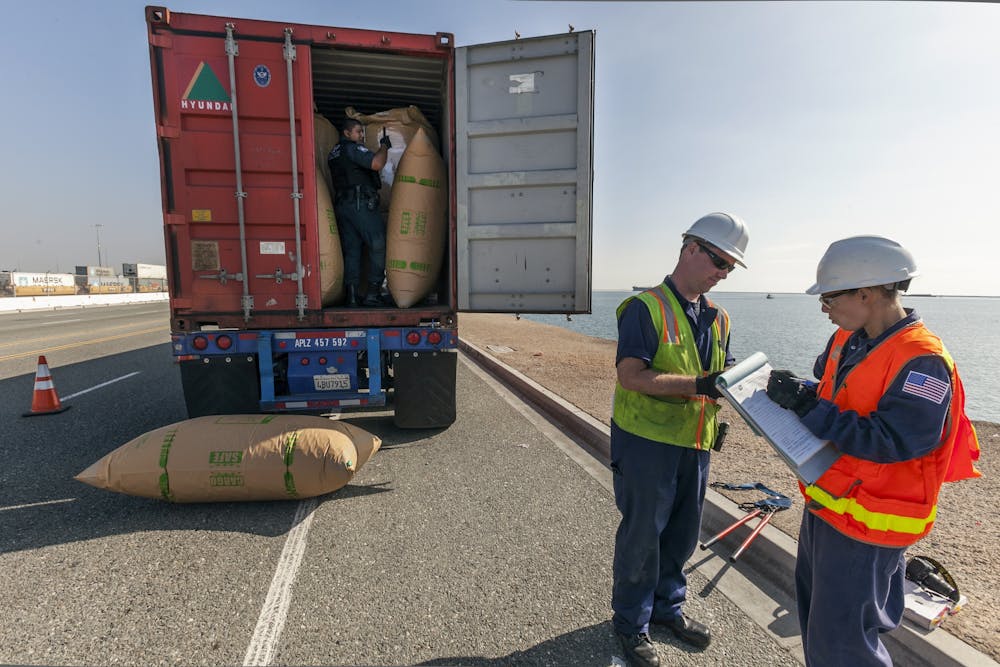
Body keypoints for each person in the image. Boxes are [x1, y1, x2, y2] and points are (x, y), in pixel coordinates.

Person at [764, 236, 981, 667]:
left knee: (846, 648)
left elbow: (894, 440)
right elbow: (836, 396)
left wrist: (808, 408)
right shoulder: (850, 339)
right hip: (828, 506)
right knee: (819, 632)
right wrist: (798, 394)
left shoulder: (922, 359)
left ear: (865, 293)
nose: (824, 307)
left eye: (828, 296)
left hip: (869, 525)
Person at [611, 212, 750, 667]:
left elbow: (721, 373)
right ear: (690, 248)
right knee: (642, 537)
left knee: (682, 535)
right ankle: (632, 623)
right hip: (647, 443)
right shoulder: (644, 308)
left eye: (730, 267)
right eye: (718, 261)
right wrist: (701, 384)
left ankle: (668, 609)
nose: (723, 273)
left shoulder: (719, 317)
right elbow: (631, 377)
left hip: (695, 443)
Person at [328, 118, 391, 307]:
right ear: (347, 133)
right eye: (358, 132)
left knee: (352, 251)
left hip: (343, 205)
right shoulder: (352, 149)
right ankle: (373, 293)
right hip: (360, 204)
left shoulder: (334, 152)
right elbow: (376, 163)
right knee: (378, 243)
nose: (361, 136)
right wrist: (384, 147)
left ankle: (352, 296)